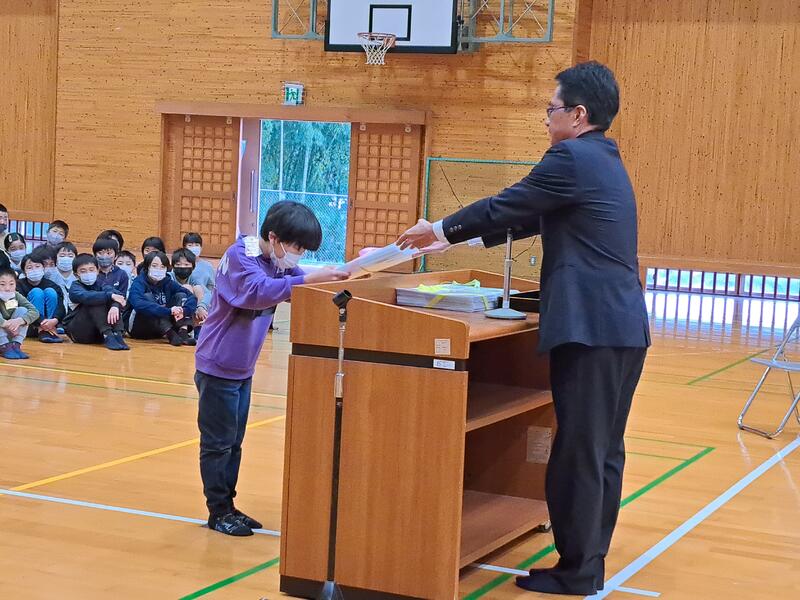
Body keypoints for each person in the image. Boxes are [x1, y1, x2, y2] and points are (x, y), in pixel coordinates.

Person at [398, 61, 651, 596]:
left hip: (590, 330)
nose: (546, 118)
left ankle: (577, 570)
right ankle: (587, 562)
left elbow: (510, 202)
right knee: (603, 450)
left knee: (580, 451)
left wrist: (439, 227)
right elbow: (534, 215)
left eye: (551, 109)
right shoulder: (603, 157)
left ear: (577, 115)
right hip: (622, 327)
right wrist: (450, 241)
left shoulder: (571, 157)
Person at [195, 201, 348, 536]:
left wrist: (340, 276)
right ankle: (218, 511)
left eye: (304, 251)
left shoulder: (275, 261)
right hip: (217, 364)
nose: (298, 255)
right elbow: (256, 291)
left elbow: (297, 285)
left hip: (241, 367)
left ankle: (228, 506)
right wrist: (309, 279)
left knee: (234, 442)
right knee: (218, 444)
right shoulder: (243, 254)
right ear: (275, 237)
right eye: (297, 247)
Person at [127, 251, 197, 346]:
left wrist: (184, 311)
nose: (158, 269)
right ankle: (170, 334)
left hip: (160, 329)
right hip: (138, 328)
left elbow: (191, 296)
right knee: (147, 298)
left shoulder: (167, 282)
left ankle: (183, 333)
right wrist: (168, 311)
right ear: (147, 267)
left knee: (181, 295)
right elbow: (138, 303)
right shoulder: (139, 282)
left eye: (162, 267)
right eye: (154, 266)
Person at [64, 254, 129, 351]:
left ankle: (117, 334)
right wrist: (110, 296)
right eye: (83, 271)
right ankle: (108, 335)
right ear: (76, 274)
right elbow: (87, 296)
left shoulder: (101, 284)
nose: (88, 273)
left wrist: (115, 306)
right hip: (78, 332)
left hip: (98, 332)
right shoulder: (75, 288)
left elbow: (119, 296)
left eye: (91, 270)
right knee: (96, 299)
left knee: (111, 300)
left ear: (97, 270)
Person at [17, 250, 65, 343]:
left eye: (37, 266)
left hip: (51, 323)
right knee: (37, 292)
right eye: (29, 267)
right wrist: (41, 322)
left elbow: (60, 306)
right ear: (24, 271)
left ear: (43, 268)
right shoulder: (18, 285)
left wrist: (55, 320)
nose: (34, 270)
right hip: (29, 324)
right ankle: (42, 329)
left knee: (50, 292)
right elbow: (21, 305)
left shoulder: (53, 285)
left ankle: (48, 329)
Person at [0, 267, 40, 359]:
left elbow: (35, 311)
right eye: (2, 284)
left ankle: (15, 345)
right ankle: (3, 346)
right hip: (4, 331)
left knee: (23, 310)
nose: (7, 288)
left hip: (12, 332)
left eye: (11, 284)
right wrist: (6, 324)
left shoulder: (16, 295)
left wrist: (20, 321)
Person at [170, 248, 209, 335]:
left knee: (198, 289)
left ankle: (197, 326)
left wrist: (201, 307)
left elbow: (207, 293)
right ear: (173, 266)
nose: (182, 267)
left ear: (193, 267)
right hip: (173, 308)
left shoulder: (193, 278)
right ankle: (186, 329)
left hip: (189, 309)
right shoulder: (169, 276)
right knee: (187, 288)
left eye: (186, 264)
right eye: (178, 264)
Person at [47, 241, 78, 312]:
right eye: (62, 256)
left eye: (70, 256)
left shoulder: (78, 274)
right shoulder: (50, 274)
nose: (66, 258)